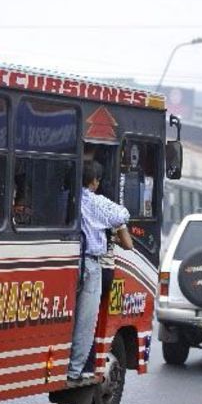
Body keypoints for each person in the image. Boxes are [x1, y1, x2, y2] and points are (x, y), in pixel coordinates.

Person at [68, 160, 131, 382]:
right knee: (86, 321)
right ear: (94, 182)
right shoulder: (97, 202)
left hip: (67, 263)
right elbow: (122, 215)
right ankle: (76, 369)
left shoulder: (66, 197)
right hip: (91, 265)